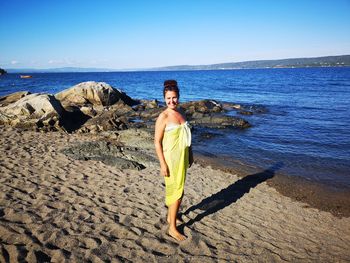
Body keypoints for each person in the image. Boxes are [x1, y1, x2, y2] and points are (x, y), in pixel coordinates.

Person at [154, 79, 193, 241]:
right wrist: (162, 163)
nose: (172, 101)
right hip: (170, 159)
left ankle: (172, 217)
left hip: (182, 157)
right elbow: (156, 142)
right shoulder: (163, 117)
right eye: (169, 98)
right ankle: (172, 228)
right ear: (164, 99)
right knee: (175, 192)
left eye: (174, 97)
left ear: (179, 97)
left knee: (179, 190)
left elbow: (186, 138)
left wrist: (191, 154)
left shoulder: (181, 113)